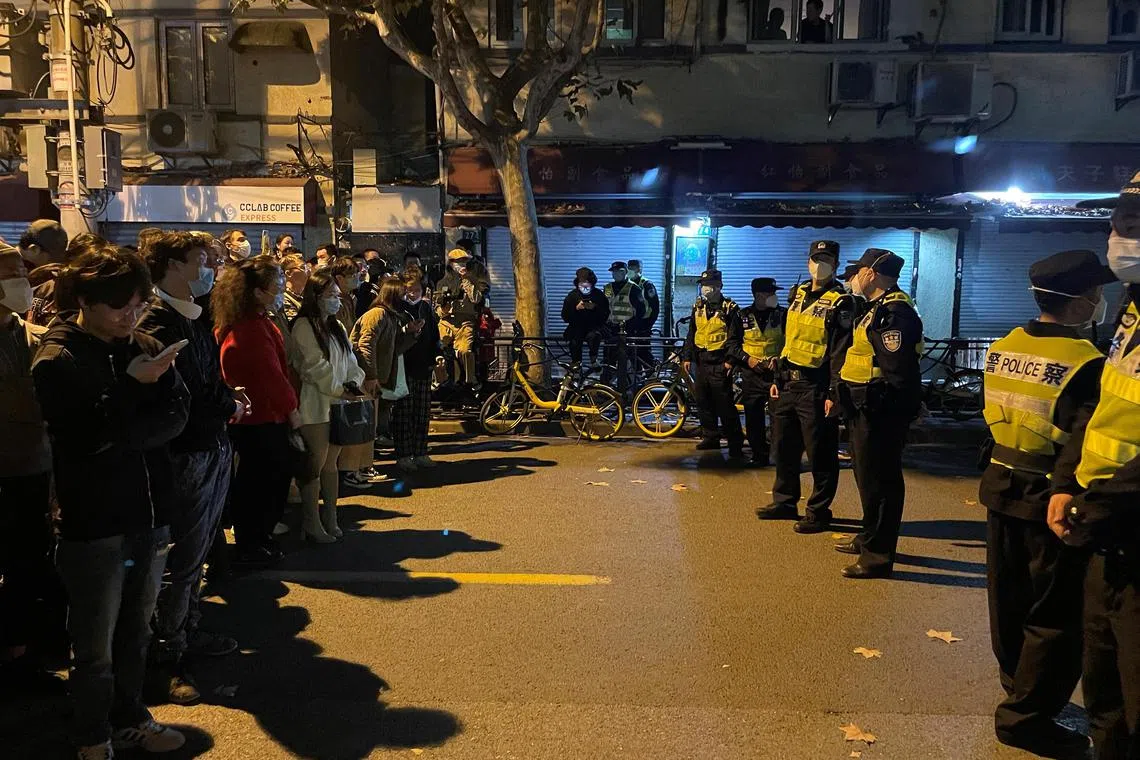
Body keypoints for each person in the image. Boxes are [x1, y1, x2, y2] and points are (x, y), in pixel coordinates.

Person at [32, 247, 191, 759]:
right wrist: (129, 390)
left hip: (149, 511)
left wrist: (130, 421)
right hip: (93, 520)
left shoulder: (140, 342)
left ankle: (129, 717)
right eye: (118, 306)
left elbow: (176, 413)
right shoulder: (59, 358)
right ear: (84, 300)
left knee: (136, 631)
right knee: (94, 645)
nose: (130, 315)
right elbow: (83, 438)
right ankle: (91, 734)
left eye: (138, 304)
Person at [979, 250, 1111, 757]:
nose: (1102, 301)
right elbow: (1084, 440)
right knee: (1057, 614)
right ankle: (1026, 717)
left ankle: (1017, 683)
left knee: (1008, 600)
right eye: (1097, 294)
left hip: (1001, 486)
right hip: (1050, 499)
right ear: (1080, 303)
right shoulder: (1085, 364)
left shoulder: (1004, 346)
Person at [1049, 173, 1140, 760]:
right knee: (1103, 691)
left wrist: (1094, 504)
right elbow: (1103, 404)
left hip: (1123, 522)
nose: (1114, 238)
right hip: (1105, 531)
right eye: (1118, 222)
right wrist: (1064, 482)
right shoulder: (1132, 310)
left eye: (1129, 226)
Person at [136, 232, 247, 706]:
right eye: (204, 261)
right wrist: (225, 403)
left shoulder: (194, 316)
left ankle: (187, 629)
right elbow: (185, 394)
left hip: (210, 445)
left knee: (196, 554)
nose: (211, 270)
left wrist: (226, 401)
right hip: (183, 455)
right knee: (179, 558)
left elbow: (209, 382)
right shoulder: (157, 323)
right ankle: (166, 654)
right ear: (172, 265)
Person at [834, 249, 923, 579]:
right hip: (863, 406)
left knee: (882, 483)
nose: (854, 278)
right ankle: (868, 537)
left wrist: (904, 412)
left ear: (871, 274)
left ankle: (878, 557)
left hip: (881, 409)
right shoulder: (874, 309)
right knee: (866, 477)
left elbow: (899, 370)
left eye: (857, 272)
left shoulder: (895, 313)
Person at [757, 240, 854, 534]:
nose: (819, 264)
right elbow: (789, 339)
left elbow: (840, 351)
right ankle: (785, 501)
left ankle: (818, 510)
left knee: (820, 453)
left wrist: (835, 392)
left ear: (836, 264)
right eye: (815, 258)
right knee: (783, 447)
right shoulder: (796, 294)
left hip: (816, 386)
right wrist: (777, 379)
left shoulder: (842, 301)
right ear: (808, 262)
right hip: (788, 383)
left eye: (826, 259)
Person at [213, 255, 302, 565]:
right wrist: (292, 409)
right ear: (256, 291)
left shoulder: (254, 320)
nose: (281, 289)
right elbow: (271, 376)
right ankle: (253, 542)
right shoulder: (248, 328)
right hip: (260, 418)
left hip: (258, 416)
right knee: (262, 484)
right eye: (275, 285)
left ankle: (256, 539)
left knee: (259, 481)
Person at [0, 244, 58, 694]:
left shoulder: (36, 336)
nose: (20, 281)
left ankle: (23, 654)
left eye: (21, 271)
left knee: (29, 564)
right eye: (9, 273)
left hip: (34, 471)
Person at [291, 269, 367, 543]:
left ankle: (331, 517)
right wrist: (339, 389)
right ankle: (311, 523)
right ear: (316, 296)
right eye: (330, 295)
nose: (336, 299)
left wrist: (353, 384)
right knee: (315, 464)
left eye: (337, 294)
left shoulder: (337, 326)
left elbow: (350, 361)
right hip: (315, 405)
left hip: (338, 404)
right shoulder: (303, 326)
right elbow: (313, 366)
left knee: (331, 465)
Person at [353, 276, 422, 472]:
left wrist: (411, 334)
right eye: (401, 295)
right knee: (367, 425)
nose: (405, 298)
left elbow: (394, 348)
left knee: (374, 424)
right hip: (369, 378)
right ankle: (361, 467)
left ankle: (365, 465)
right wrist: (371, 375)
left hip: (380, 377)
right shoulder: (378, 314)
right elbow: (366, 344)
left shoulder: (391, 317)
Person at [683, 269, 745, 458]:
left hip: (720, 362)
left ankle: (735, 443)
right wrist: (687, 356)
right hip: (701, 360)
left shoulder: (730, 309)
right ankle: (710, 436)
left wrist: (729, 362)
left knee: (724, 405)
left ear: (719, 286)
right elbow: (692, 333)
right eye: (703, 285)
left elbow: (736, 338)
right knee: (703, 401)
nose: (705, 289)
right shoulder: (698, 306)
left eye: (709, 285)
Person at [732, 277, 786, 466]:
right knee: (753, 418)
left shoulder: (783, 315)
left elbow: (791, 343)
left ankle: (778, 456)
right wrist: (748, 359)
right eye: (771, 293)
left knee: (778, 418)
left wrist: (780, 360)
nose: (774, 296)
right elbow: (732, 344)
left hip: (775, 375)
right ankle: (759, 455)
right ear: (759, 295)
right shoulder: (742, 316)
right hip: (752, 374)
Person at [392, 267, 441, 469]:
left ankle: (421, 452)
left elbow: (434, 336)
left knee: (422, 412)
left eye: (416, 289)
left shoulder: (425, 309)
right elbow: (391, 338)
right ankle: (403, 455)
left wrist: (438, 356)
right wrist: (406, 330)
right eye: (408, 290)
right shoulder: (396, 308)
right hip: (403, 367)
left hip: (423, 366)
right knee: (403, 413)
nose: (412, 294)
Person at [435, 248, 489, 390]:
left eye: (464, 261)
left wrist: (467, 281)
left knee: (465, 351)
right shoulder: (443, 281)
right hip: (446, 321)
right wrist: (444, 305)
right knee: (440, 352)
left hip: (466, 321)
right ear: (451, 263)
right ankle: (441, 382)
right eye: (457, 262)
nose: (461, 264)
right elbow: (438, 310)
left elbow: (477, 299)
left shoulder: (474, 279)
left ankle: (470, 381)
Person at [562, 267, 610, 366]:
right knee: (574, 342)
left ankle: (593, 359)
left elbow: (606, 314)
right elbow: (565, 316)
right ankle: (576, 364)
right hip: (576, 328)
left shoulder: (599, 295)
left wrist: (595, 308)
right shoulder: (572, 296)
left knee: (594, 336)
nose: (584, 286)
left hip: (594, 327)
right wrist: (576, 309)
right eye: (581, 283)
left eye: (587, 283)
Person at [627, 258, 660, 371]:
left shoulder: (647, 284)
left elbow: (655, 307)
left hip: (643, 324)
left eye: (633, 268)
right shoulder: (627, 284)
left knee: (643, 351)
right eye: (629, 268)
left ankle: (651, 376)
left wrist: (648, 325)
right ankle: (638, 375)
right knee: (631, 352)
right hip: (630, 324)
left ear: (639, 269)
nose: (630, 271)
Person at [280, 254, 310, 323]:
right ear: (288, 273)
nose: (308, 271)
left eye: (307, 268)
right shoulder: (283, 299)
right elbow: (295, 324)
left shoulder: (303, 297)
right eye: (303, 268)